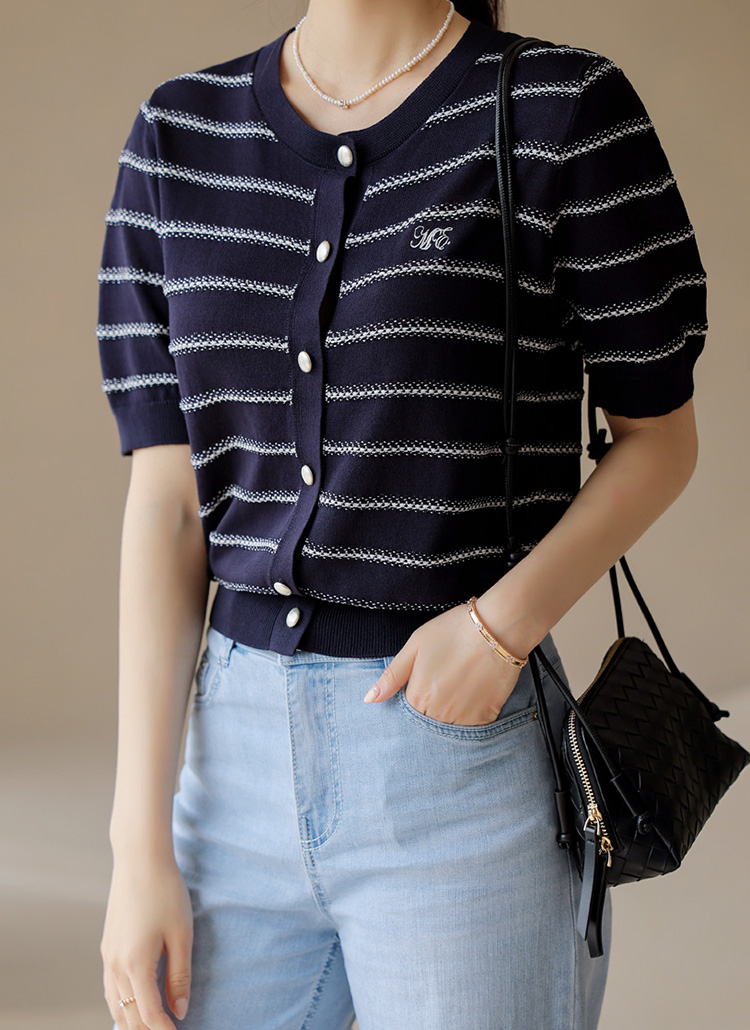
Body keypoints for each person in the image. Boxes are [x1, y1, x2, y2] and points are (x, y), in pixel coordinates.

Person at [97, 1, 707, 1027]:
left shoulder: (560, 110)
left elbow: (661, 440)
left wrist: (499, 628)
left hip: (460, 757)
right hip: (226, 766)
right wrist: (136, 843)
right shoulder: (178, 136)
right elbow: (168, 504)